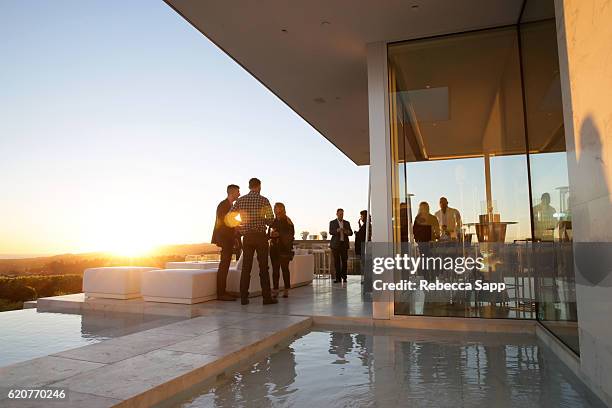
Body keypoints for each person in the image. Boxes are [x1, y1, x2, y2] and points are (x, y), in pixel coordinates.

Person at [230, 178, 277, 305]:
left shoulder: (241, 200)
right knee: (263, 268)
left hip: (248, 237)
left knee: (246, 268)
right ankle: (266, 298)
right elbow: (271, 220)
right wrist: (264, 221)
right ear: (259, 186)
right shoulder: (264, 200)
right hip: (261, 237)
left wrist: (240, 225)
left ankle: (244, 298)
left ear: (249, 186)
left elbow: (230, 215)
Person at [211, 184, 241, 301]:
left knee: (226, 264)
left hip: (228, 239)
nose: (239, 194)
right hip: (223, 239)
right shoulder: (223, 205)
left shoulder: (230, 205)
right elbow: (223, 222)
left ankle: (223, 291)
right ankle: (221, 293)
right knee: (224, 265)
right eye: (238, 192)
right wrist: (235, 228)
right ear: (232, 192)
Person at [269, 202, 295, 298]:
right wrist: (270, 235)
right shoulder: (273, 221)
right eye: (275, 208)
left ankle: (286, 289)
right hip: (274, 248)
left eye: (278, 208)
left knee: (285, 269)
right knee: (275, 270)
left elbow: (291, 234)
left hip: (284, 249)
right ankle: (275, 289)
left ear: (283, 209)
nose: (276, 209)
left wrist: (279, 234)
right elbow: (269, 232)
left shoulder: (287, 220)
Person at [329, 208, 353, 283]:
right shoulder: (332, 222)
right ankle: (338, 278)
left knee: (344, 261)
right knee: (337, 262)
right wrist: (337, 230)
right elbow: (331, 232)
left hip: (344, 244)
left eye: (342, 214)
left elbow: (351, 233)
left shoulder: (347, 223)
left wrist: (346, 231)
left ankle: (344, 277)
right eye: (340, 214)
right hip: (335, 245)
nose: (341, 215)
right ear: (336, 214)